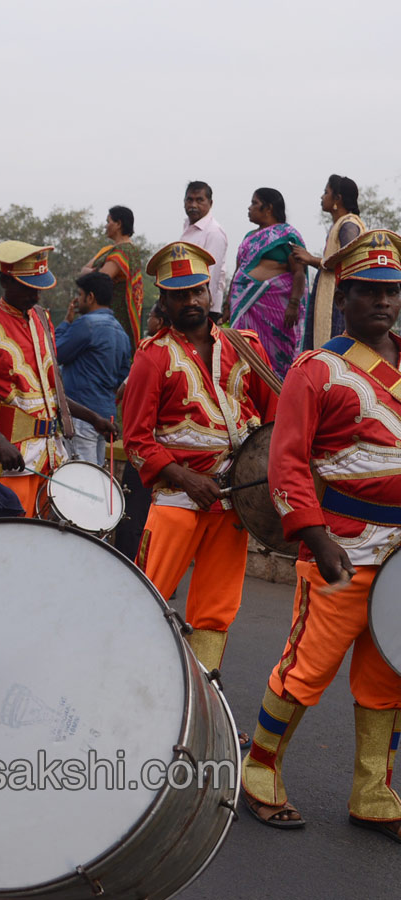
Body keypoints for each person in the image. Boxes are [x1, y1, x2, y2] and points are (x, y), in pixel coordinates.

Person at [242, 229, 401, 839]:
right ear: (345, 298)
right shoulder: (317, 369)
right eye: (369, 292)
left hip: (399, 558)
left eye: (391, 291)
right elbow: (286, 463)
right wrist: (313, 536)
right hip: (343, 546)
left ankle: (373, 790)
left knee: (389, 674)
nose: (383, 303)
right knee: (306, 667)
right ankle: (259, 769)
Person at [122, 241, 277, 674]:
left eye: (197, 290)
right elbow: (136, 441)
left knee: (215, 613)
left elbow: (275, 424)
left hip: (234, 506)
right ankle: (135, 690)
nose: (190, 300)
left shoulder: (246, 346)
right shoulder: (151, 358)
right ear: (164, 301)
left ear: (211, 293)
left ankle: (205, 697)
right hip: (177, 500)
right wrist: (188, 479)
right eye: (178, 294)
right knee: (146, 598)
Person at [0, 241, 115, 515]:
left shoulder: (42, 318)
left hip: (53, 455)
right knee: (14, 538)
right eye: (28, 288)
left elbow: (52, 394)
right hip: (14, 458)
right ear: (5, 280)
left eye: (38, 288)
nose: (36, 296)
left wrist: (93, 418)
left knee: (49, 538)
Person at [226, 188, 309, 377]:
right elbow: (240, 271)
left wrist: (294, 304)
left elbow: (298, 272)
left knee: (276, 358)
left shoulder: (287, 235)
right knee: (243, 351)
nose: (249, 207)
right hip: (245, 307)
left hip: (276, 312)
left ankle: (276, 392)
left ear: (268, 208)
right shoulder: (249, 238)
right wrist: (227, 304)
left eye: (254, 203)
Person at [55, 271, 130, 465]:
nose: (78, 300)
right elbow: (123, 377)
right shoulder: (120, 331)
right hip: (105, 414)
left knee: (82, 478)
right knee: (96, 473)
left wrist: (65, 323)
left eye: (80, 295)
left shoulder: (86, 324)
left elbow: (56, 354)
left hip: (82, 415)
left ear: (90, 297)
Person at [294, 174, 367, 350]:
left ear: (337, 199)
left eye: (326, 192)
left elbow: (348, 258)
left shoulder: (349, 225)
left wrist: (312, 259)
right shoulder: (340, 224)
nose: (322, 197)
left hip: (341, 297)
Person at [82, 205, 143, 346]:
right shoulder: (111, 250)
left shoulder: (123, 251)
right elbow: (84, 271)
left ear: (118, 224)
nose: (105, 226)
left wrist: (92, 272)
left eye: (108, 221)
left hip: (116, 315)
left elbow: (99, 280)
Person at [180, 182, 228, 321]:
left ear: (210, 203)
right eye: (190, 200)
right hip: (188, 303)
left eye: (199, 200)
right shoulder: (189, 228)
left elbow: (212, 274)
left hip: (202, 308)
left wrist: (204, 306)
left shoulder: (213, 232)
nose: (193, 205)